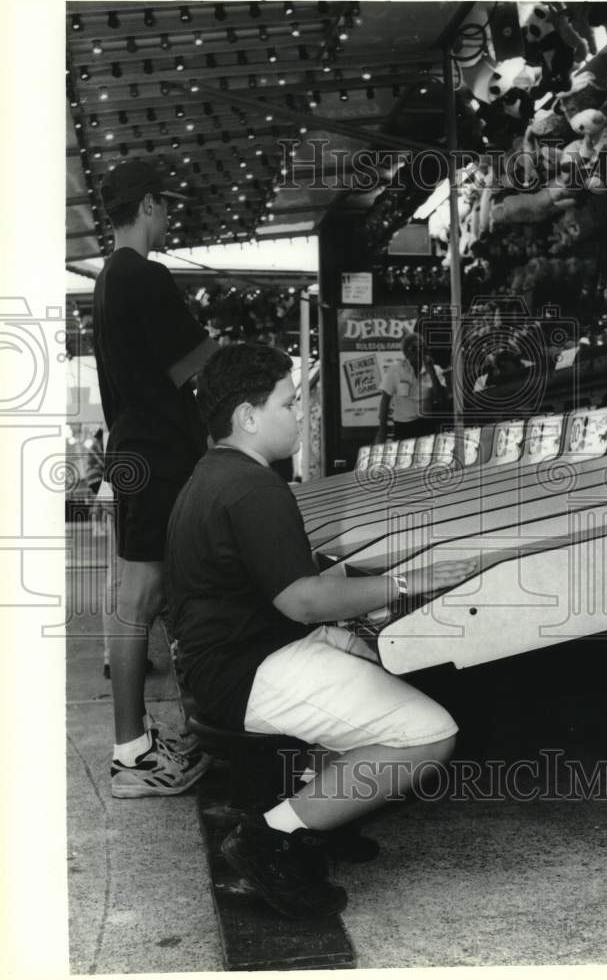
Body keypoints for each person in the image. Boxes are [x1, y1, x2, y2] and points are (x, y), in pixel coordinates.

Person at [165, 344, 476, 919]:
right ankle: (270, 836)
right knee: (430, 733)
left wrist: (398, 562)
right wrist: (408, 580)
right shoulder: (254, 488)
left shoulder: (215, 475)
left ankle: (320, 818)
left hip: (228, 657)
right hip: (247, 671)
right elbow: (304, 600)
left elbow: (287, 577)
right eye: (289, 403)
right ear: (248, 416)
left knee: (371, 660)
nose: (300, 415)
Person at [92, 159, 218, 798]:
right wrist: (214, 335)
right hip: (158, 453)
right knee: (140, 597)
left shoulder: (107, 279)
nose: (168, 216)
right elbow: (193, 360)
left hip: (135, 449)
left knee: (144, 594)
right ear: (145, 206)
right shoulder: (145, 274)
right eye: (164, 205)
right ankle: (131, 756)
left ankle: (143, 741)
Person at [375, 332, 447, 444]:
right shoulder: (396, 370)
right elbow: (385, 400)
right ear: (405, 352)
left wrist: (431, 372)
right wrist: (382, 429)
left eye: (422, 348)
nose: (418, 352)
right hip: (403, 427)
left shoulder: (436, 369)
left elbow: (441, 399)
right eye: (413, 348)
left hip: (427, 426)